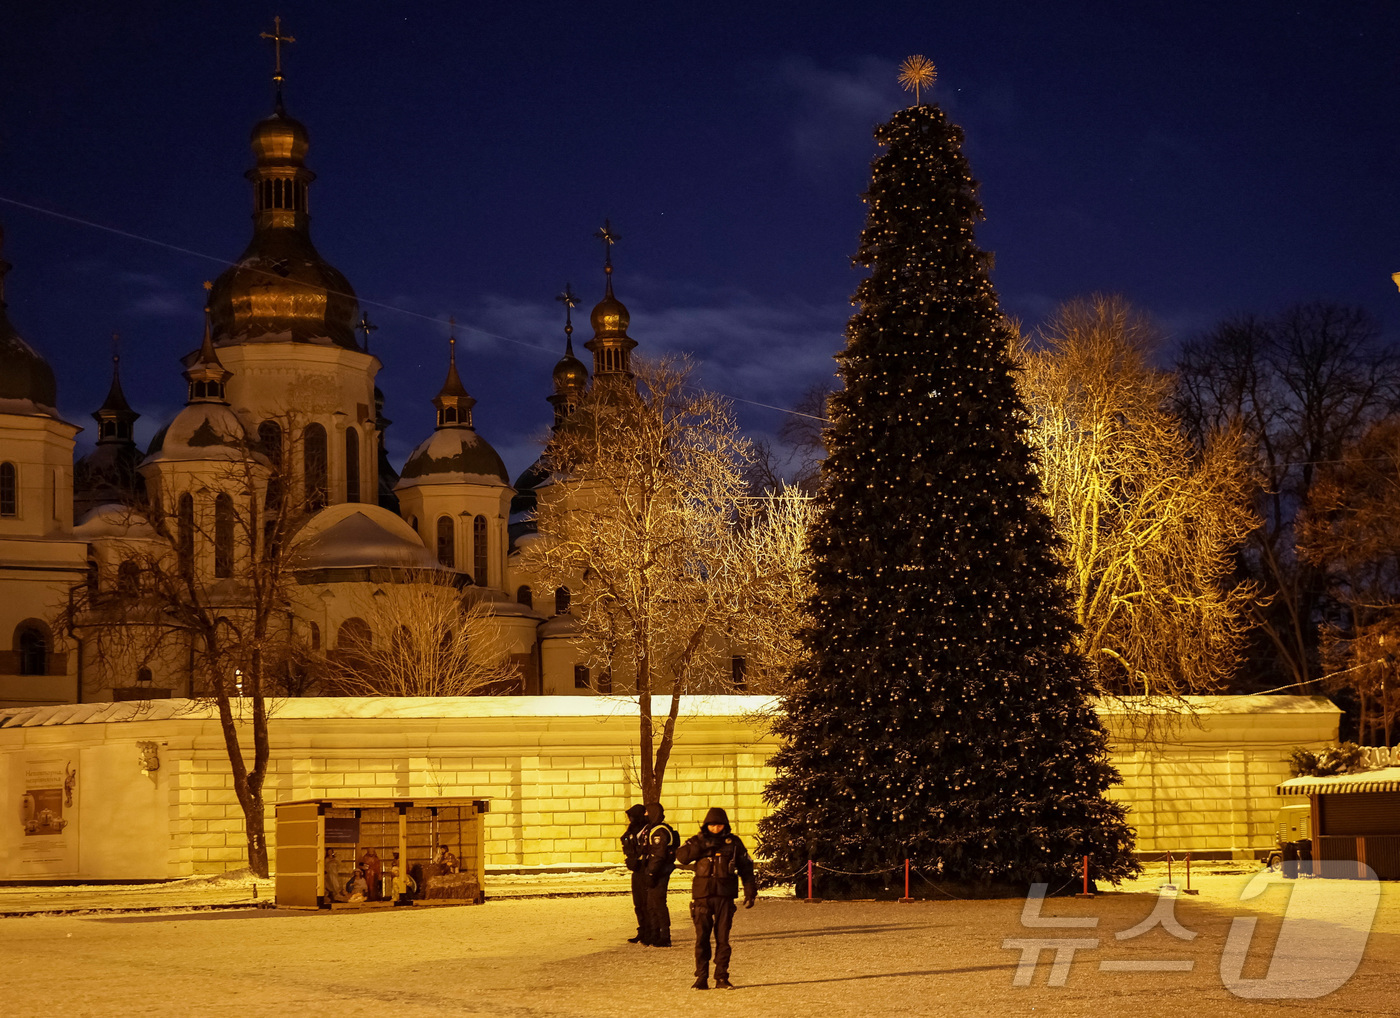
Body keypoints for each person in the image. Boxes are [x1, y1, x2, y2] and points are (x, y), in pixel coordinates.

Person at [675, 806, 756, 990]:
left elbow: (746, 867)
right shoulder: (697, 840)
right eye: (712, 825)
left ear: (725, 825)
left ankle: (721, 977)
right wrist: (701, 845)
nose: (715, 829)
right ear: (706, 825)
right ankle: (701, 977)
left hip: (724, 897)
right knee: (702, 939)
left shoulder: (733, 843)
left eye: (719, 825)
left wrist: (750, 890)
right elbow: (682, 857)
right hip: (702, 896)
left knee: (723, 939)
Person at [641, 802, 679, 947]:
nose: (645, 815)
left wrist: (651, 872)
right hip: (655, 871)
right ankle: (655, 933)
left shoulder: (659, 831)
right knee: (651, 904)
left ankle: (664, 935)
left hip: (659, 872)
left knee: (658, 903)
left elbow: (658, 854)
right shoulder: (653, 828)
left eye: (647, 812)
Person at [620, 803, 649, 943]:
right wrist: (631, 857)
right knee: (638, 903)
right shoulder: (632, 829)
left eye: (632, 817)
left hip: (646, 869)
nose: (630, 820)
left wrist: (638, 856)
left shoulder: (648, 829)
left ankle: (650, 931)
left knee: (647, 902)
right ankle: (642, 930)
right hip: (636, 870)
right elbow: (625, 841)